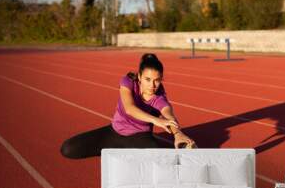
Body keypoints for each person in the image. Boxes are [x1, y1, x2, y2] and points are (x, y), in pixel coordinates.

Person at [60, 53, 196, 159]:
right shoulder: (128, 82)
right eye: (148, 79)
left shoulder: (159, 98)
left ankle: (177, 146)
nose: (152, 85)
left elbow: (169, 115)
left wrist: (178, 134)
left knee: (160, 158)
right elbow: (129, 108)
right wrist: (156, 120)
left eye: (157, 81)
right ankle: (115, 151)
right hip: (113, 134)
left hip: (140, 138)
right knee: (68, 149)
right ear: (139, 77)